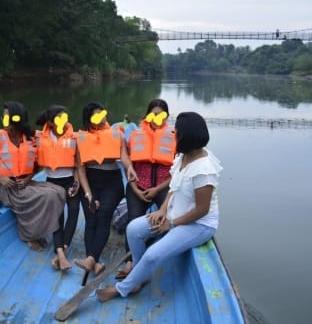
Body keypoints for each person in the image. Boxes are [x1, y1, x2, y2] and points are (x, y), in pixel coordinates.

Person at [96, 111, 222, 302]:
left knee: (152, 256)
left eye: (176, 132)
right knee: (133, 229)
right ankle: (140, 275)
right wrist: (163, 210)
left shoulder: (204, 170)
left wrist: (170, 224)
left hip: (199, 224)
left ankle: (123, 288)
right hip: (174, 213)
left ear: (185, 136)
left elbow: (201, 210)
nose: (173, 134)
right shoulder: (184, 157)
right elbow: (174, 186)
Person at [0, 101, 66, 251]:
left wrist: (28, 179)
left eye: (7, 117)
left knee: (59, 192)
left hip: (26, 183)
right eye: (3, 117)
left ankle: (41, 230)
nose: (4, 120)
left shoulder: (29, 138)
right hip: (7, 188)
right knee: (47, 196)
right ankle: (30, 236)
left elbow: (36, 166)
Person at [73, 102, 138, 276]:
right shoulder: (81, 138)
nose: (101, 119)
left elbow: (124, 155)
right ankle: (94, 262)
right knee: (91, 219)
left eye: (102, 115)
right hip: (90, 182)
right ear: (88, 119)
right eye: (96, 116)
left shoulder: (117, 134)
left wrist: (130, 167)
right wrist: (87, 193)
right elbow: (80, 168)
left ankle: (91, 258)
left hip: (112, 182)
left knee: (103, 216)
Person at [115, 99, 176, 280]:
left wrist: (157, 189)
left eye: (160, 114)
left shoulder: (174, 135)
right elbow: (124, 156)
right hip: (137, 186)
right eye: (153, 113)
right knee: (133, 222)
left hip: (163, 187)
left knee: (170, 217)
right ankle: (131, 261)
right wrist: (135, 187)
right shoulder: (135, 134)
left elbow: (178, 171)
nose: (156, 118)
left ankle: (157, 252)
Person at [35, 105, 81, 271]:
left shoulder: (74, 137)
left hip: (70, 179)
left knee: (74, 210)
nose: (64, 120)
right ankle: (60, 253)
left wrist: (76, 182)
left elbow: (78, 164)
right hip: (51, 182)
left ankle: (64, 248)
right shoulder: (39, 137)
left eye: (65, 117)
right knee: (57, 217)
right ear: (50, 122)